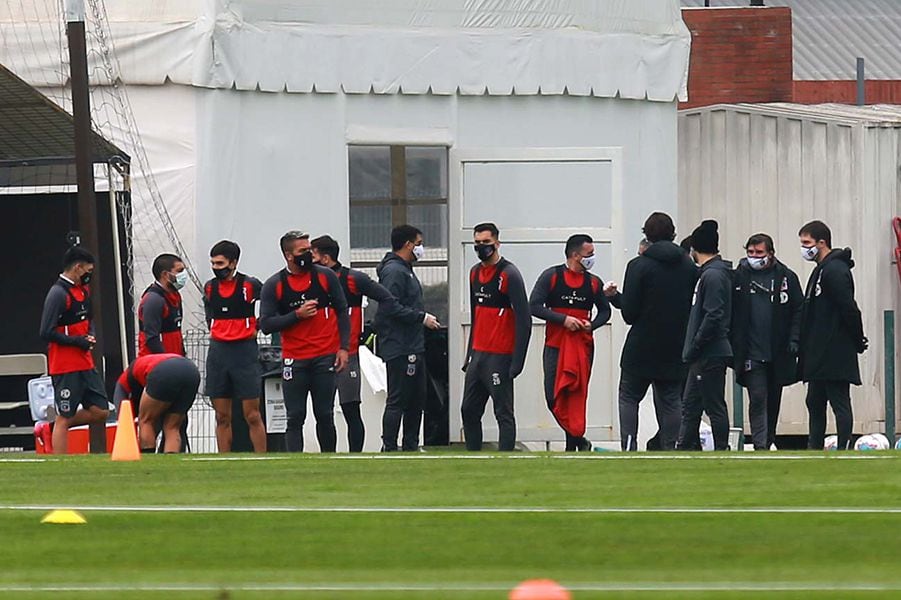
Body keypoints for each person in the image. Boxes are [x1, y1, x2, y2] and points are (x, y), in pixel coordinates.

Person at [310, 234, 402, 452]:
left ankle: (355, 455)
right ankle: (328, 456)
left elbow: (387, 298)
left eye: (312, 255)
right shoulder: (312, 281)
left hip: (347, 354)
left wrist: (373, 326)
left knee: (351, 408)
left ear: (325, 258)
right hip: (320, 354)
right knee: (323, 412)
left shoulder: (353, 279)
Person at [260, 231, 350, 452]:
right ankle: (295, 463)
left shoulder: (325, 277)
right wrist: (296, 315)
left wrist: (344, 348)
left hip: (324, 355)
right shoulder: (275, 284)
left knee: (325, 414)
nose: (309, 255)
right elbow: (266, 324)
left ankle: (329, 460)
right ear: (288, 255)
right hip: (294, 358)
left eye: (310, 250)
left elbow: (342, 311)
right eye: (303, 251)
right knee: (295, 416)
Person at [617, 212, 699, 451]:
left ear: (647, 234)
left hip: (641, 343)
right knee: (671, 399)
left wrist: (616, 299)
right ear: (673, 234)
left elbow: (629, 313)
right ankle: (670, 446)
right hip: (675, 343)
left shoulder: (638, 265)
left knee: (629, 396)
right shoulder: (688, 266)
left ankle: (630, 445)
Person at [530, 234, 612, 451]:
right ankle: (579, 440)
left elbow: (605, 311)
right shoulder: (552, 277)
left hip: (581, 347)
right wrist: (563, 320)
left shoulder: (594, 282)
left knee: (575, 396)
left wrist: (591, 325)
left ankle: (571, 445)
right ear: (575, 255)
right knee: (553, 396)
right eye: (589, 254)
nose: (592, 258)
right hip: (555, 346)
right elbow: (534, 306)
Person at [460, 223, 531, 451]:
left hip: (500, 356)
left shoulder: (509, 274)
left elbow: (524, 319)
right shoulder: (474, 273)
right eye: (477, 243)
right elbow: (475, 315)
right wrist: (469, 353)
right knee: (468, 409)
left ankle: (506, 459)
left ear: (497, 243)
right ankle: (473, 455)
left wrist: (517, 360)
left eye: (486, 243)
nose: (481, 247)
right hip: (478, 355)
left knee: (503, 411)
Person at [797, 220, 867, 451]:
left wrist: (858, 339)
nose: (804, 248)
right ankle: (814, 447)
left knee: (838, 400)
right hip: (818, 350)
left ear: (821, 242)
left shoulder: (835, 270)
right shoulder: (822, 270)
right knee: (814, 401)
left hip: (835, 348)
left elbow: (848, 307)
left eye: (806, 243)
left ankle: (843, 446)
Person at [731, 233, 803, 450]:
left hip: (778, 351)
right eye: (750, 252)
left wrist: (794, 338)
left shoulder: (786, 278)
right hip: (751, 352)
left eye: (759, 253)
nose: (754, 257)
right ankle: (760, 444)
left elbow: (798, 309)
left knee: (773, 399)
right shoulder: (738, 277)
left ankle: (769, 438)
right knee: (758, 396)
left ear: (770, 253)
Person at [375, 225, 441, 451]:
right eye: (419, 243)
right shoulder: (395, 271)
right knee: (399, 398)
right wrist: (421, 317)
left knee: (416, 398)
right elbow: (390, 306)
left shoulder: (406, 269)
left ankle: (411, 444)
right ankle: (389, 446)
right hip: (400, 345)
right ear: (408, 244)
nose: (421, 248)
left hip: (413, 343)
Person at [38, 247, 109, 454]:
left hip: (85, 363)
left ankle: (59, 424)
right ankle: (60, 455)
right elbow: (46, 332)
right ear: (77, 268)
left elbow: (89, 319)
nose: (90, 275)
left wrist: (89, 335)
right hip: (65, 366)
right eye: (88, 270)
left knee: (101, 411)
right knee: (65, 415)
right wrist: (77, 341)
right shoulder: (58, 294)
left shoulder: (83, 291)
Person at [202, 240, 266, 453]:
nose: (216, 268)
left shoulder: (250, 285)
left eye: (220, 263)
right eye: (213, 263)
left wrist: (259, 325)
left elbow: (269, 302)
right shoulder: (210, 288)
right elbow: (209, 314)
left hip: (244, 352)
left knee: (252, 414)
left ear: (234, 262)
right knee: (221, 415)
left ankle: (261, 459)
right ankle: (224, 459)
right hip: (219, 352)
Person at [678, 219, 733, 451]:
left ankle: (722, 447)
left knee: (713, 404)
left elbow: (713, 315)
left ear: (694, 249)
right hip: (702, 353)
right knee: (691, 404)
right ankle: (685, 446)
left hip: (709, 352)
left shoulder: (712, 276)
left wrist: (695, 345)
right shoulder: (711, 274)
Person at [113, 354, 200, 453]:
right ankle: (171, 463)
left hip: (164, 371)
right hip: (191, 371)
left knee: (146, 420)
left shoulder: (123, 384)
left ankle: (148, 459)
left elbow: (124, 418)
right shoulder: (139, 369)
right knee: (172, 427)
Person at [138, 253, 187, 357]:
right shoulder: (153, 300)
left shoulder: (175, 295)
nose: (183, 275)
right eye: (179, 271)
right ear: (165, 274)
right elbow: (151, 338)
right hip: (156, 362)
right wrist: (165, 361)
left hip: (174, 358)